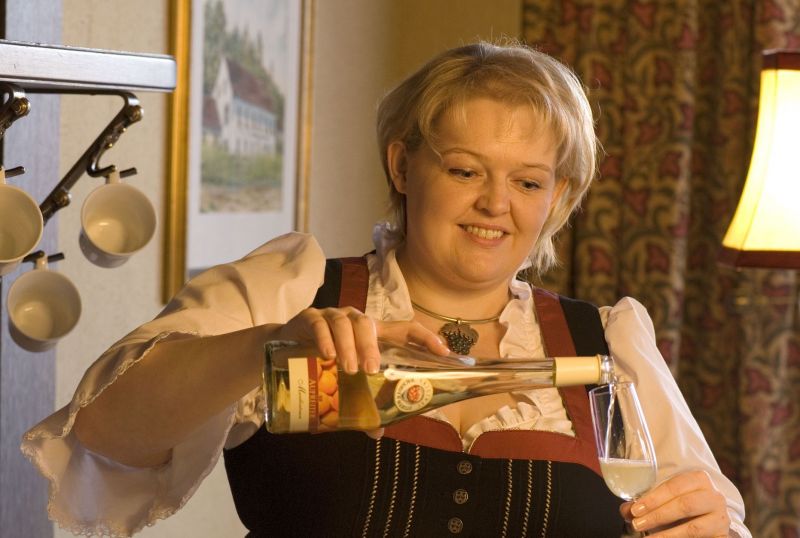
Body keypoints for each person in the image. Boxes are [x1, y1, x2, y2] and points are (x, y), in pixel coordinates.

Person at [22, 41, 749, 537]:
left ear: (556, 198)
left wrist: (711, 526)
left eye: (529, 182)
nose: (496, 203)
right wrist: (267, 349)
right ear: (404, 166)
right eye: (465, 169)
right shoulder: (292, 291)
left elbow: (707, 517)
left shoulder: (610, 346)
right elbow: (104, 433)